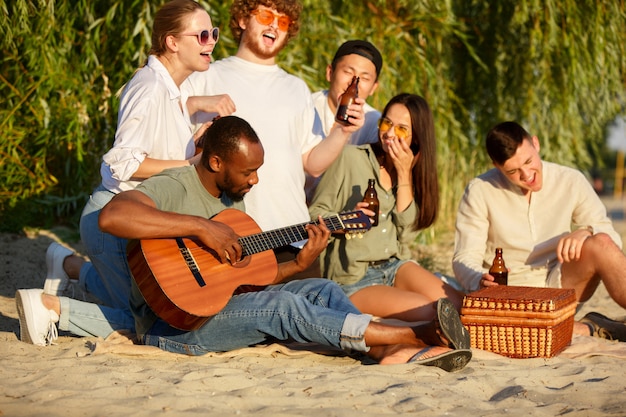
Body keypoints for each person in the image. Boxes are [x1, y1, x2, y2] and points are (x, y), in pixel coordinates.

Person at [16, 116, 471, 372]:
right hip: (177, 328)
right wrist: (200, 227)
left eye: (258, 171)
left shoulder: (234, 200)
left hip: (216, 308)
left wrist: (300, 264)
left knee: (320, 291)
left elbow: (249, 279)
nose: (255, 180)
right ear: (215, 161)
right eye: (247, 172)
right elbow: (114, 215)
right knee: (282, 310)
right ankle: (408, 335)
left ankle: (381, 349)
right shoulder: (178, 185)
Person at [44, 0, 236, 309]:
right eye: (202, 35)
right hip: (114, 218)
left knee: (143, 307)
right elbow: (122, 164)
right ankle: (47, 308)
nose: (212, 41)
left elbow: (160, 127)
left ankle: (68, 265)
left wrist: (197, 110)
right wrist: (190, 165)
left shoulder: (173, 88)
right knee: (141, 317)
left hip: (141, 217)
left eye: (213, 32)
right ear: (172, 42)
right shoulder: (148, 86)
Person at [184, 0, 365, 234]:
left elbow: (312, 164)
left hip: (292, 232)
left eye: (282, 21)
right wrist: (195, 103)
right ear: (242, 19)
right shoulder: (206, 75)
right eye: (266, 17)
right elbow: (163, 123)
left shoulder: (297, 88)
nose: (274, 27)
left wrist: (343, 130)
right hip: (228, 234)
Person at [452, 120, 626, 341]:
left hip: (560, 284)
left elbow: (611, 240)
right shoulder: (479, 190)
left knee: (600, 242)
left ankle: (573, 324)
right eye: (513, 171)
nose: (526, 175)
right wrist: (479, 280)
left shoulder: (571, 180)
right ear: (497, 166)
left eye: (528, 161)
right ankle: (589, 328)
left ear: (536, 144)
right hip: (509, 295)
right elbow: (464, 258)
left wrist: (586, 232)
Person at [309, 94, 466, 322]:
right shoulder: (351, 158)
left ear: (416, 138)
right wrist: (346, 221)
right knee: (432, 312)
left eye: (402, 129)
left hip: (396, 265)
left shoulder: (413, 172)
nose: (390, 134)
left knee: (461, 306)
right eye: (387, 123)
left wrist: (404, 173)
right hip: (355, 278)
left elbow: (407, 234)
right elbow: (314, 215)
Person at [305, 39, 383, 203]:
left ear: (374, 88)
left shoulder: (374, 122)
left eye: (364, 78)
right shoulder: (306, 107)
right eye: (348, 72)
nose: (353, 84)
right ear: (330, 72)